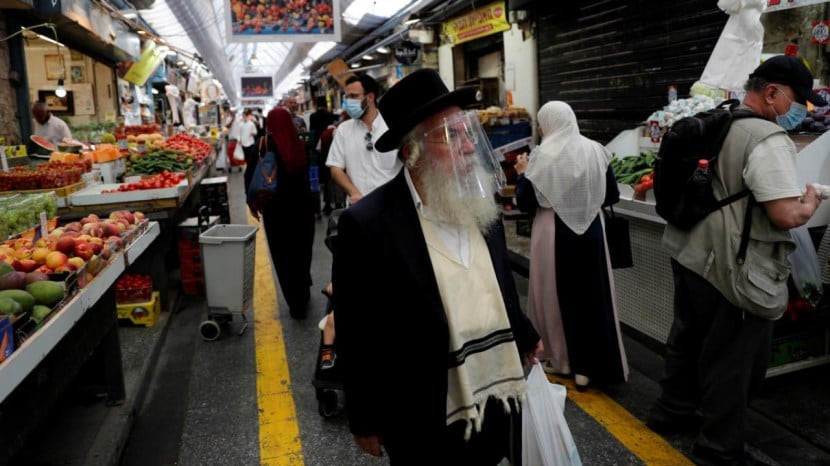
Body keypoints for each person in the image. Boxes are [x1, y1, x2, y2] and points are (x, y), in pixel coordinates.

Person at [331, 68, 543, 464]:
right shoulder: (368, 225)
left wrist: (525, 333)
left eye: (467, 133)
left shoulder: (481, 207)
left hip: (493, 400)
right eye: (451, 137)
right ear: (412, 151)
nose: (467, 147)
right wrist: (365, 419)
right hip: (422, 417)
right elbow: (358, 329)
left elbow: (496, 283)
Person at [646, 55, 827, 466]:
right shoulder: (766, 138)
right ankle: (719, 448)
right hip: (729, 263)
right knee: (735, 358)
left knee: (688, 339)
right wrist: (810, 201)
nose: (802, 111)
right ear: (772, 93)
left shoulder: (720, 119)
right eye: (799, 101)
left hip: (689, 250)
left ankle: (671, 412)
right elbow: (784, 214)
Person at [513, 101, 629, 392]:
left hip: (552, 231)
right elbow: (611, 194)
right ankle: (589, 368)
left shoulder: (541, 155)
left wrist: (522, 173)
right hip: (592, 230)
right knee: (593, 296)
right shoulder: (595, 149)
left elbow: (524, 201)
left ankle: (563, 361)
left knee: (555, 295)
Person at [250, 107, 315, 320]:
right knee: (302, 252)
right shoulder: (300, 144)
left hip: (275, 212)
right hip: (302, 209)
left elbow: (251, 177)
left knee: (283, 257)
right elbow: (311, 176)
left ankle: (295, 304)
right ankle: (303, 291)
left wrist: (254, 203)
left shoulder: (263, 144)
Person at [325, 74, 402, 205]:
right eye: (347, 97)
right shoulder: (344, 130)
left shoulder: (393, 126)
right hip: (359, 206)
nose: (349, 102)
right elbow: (335, 168)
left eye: (354, 96)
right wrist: (353, 192)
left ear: (370, 97)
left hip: (392, 204)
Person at [239, 108, 259, 192]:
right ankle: (249, 170)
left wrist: (252, 133)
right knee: (246, 160)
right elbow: (239, 133)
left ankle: (251, 171)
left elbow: (256, 132)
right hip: (243, 144)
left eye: (245, 115)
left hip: (250, 143)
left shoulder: (251, 123)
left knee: (250, 160)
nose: (244, 116)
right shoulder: (240, 124)